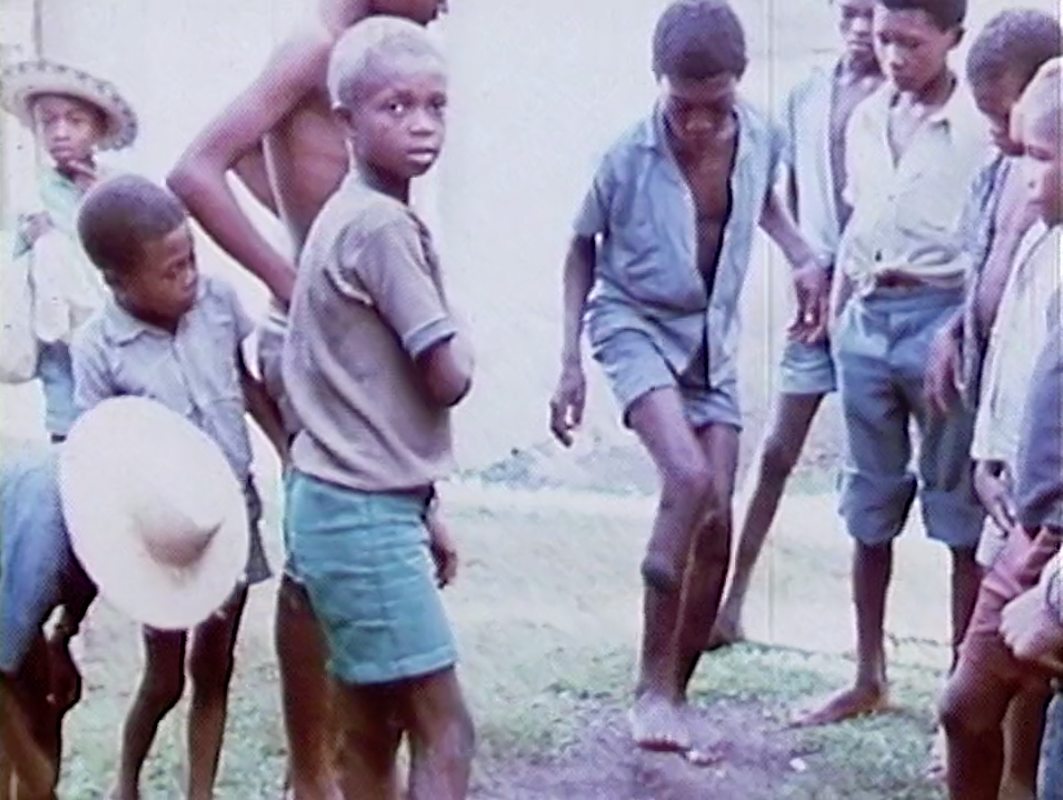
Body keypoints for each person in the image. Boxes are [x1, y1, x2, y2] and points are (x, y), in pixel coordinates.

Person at [166, 4, 448, 793]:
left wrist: (310, 233)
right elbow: (196, 171)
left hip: (347, 334)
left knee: (336, 545)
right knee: (327, 548)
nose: (447, 6)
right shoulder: (314, 47)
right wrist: (297, 280)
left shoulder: (348, 55)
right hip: (322, 342)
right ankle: (312, 770)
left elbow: (268, 164)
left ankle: (337, 761)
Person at [548, 0, 831, 752]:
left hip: (712, 341)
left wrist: (803, 255)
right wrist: (569, 360)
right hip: (633, 323)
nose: (698, 124)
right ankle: (647, 689)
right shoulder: (624, 156)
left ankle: (673, 689)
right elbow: (580, 247)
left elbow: (763, 204)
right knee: (686, 477)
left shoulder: (763, 134)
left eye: (715, 106)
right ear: (658, 83)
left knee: (717, 523)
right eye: (682, 107)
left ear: (738, 84)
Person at [282, 18, 474, 799]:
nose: (420, 125)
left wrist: (419, 507)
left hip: (345, 500)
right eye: (395, 108)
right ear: (346, 120)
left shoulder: (344, 212)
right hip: (359, 512)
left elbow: (360, 398)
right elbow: (445, 375)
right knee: (446, 729)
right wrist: (464, 343)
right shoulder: (381, 226)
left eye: (434, 105)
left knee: (368, 730)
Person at [792, 0, 993, 728]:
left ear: (952, 40)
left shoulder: (977, 128)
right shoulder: (866, 116)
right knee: (866, 505)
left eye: (911, 42)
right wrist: (840, 312)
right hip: (867, 320)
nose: (893, 55)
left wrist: (965, 332)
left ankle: (958, 694)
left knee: (956, 515)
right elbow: (857, 224)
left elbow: (991, 237)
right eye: (883, 39)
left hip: (943, 323)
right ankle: (866, 674)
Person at [69, 175, 287, 800]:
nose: (189, 276)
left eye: (192, 258)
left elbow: (245, 384)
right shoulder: (98, 348)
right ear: (118, 282)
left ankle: (200, 791)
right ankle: (126, 780)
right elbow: (97, 451)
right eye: (171, 270)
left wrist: (284, 449)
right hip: (160, 539)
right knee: (164, 677)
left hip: (228, 516)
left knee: (213, 667)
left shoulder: (216, 303)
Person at [710, 0, 884, 649]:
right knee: (777, 449)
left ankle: (873, 654)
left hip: (878, 292)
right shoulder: (806, 97)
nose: (862, 28)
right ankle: (729, 602)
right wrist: (801, 261)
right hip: (817, 297)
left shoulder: (903, 100)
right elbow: (764, 191)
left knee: (881, 476)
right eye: (850, 12)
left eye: (873, 14)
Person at [918, 9, 1063, 788]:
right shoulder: (1036, 229)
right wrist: (987, 456)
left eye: (1038, 154)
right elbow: (1010, 358)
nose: (1019, 163)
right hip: (1023, 512)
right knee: (970, 703)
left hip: (1051, 537)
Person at [0, 396, 250, 800]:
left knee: (42, 710)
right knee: (26, 745)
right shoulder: (41, 551)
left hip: (13, 585)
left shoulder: (109, 507)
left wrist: (62, 637)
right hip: (10, 566)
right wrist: (36, 777)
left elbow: (81, 572)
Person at [0, 59, 138, 442]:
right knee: (71, 442)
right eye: (49, 122)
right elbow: (25, 273)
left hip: (119, 339)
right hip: (61, 346)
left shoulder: (120, 187)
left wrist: (102, 201)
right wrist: (37, 241)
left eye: (75, 122)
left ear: (97, 128)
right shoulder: (34, 195)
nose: (60, 132)